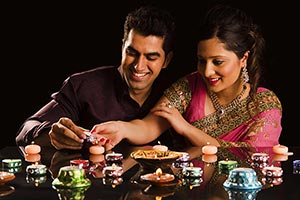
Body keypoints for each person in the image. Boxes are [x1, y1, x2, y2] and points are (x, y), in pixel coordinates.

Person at [91, 4, 282, 150]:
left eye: (218, 62)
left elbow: (252, 157)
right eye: (201, 60)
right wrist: (122, 129)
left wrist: (187, 129)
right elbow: (149, 126)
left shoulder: (264, 104)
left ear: (243, 58)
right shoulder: (190, 86)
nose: (207, 72)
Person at [16, 5, 176, 150]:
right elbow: (26, 129)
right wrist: (51, 134)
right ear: (122, 48)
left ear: (166, 60)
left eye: (151, 57)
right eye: (131, 53)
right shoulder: (83, 85)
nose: (139, 66)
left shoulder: (175, 93)